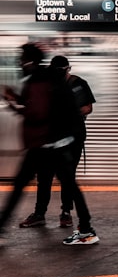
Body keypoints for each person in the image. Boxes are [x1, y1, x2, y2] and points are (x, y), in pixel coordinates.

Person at [0, 43, 99, 245]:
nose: (20, 63)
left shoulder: (41, 81)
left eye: (22, 59)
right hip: (55, 142)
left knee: (26, 184)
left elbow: (37, 113)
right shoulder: (48, 80)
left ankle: (77, 223)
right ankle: (84, 227)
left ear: (28, 61)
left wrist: (13, 105)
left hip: (47, 144)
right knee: (67, 183)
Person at [30, 55, 96, 228]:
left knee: (68, 177)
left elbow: (88, 107)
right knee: (44, 177)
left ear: (68, 69)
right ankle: (39, 213)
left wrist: (68, 113)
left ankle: (66, 213)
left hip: (72, 137)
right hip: (51, 137)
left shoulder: (78, 84)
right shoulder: (48, 85)